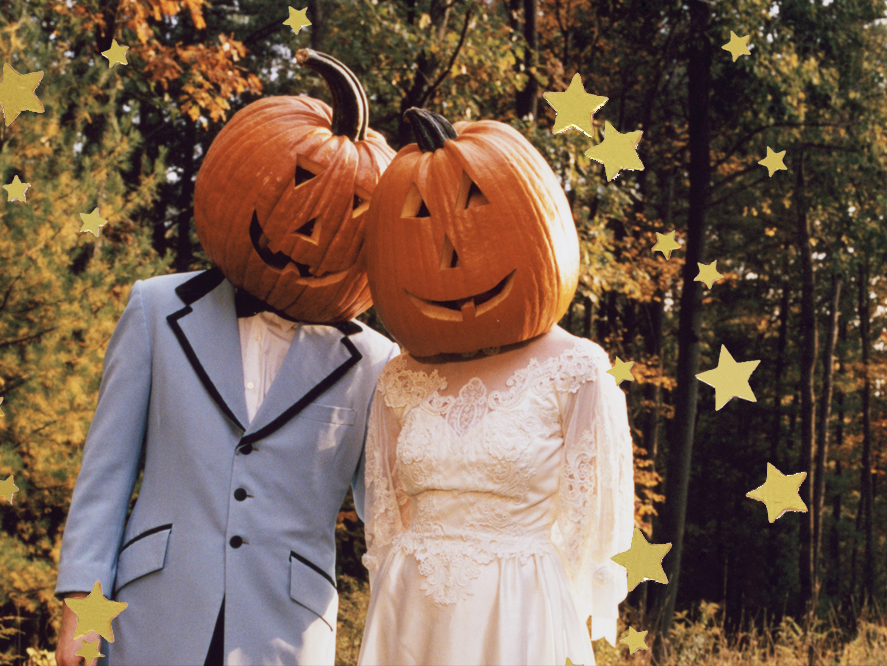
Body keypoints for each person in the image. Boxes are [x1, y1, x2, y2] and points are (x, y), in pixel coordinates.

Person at [53, 50, 398, 666]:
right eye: (297, 187)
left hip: (284, 630)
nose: (313, 234)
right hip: (152, 615)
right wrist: (81, 596)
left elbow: (390, 517)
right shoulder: (157, 310)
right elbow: (106, 470)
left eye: (350, 213)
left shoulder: (374, 362)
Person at [357, 108, 636, 666]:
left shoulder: (577, 371)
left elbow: (592, 534)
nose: (449, 254)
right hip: (410, 605)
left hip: (517, 611)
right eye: (421, 219)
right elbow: (384, 519)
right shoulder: (401, 375)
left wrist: (556, 613)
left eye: (473, 210)